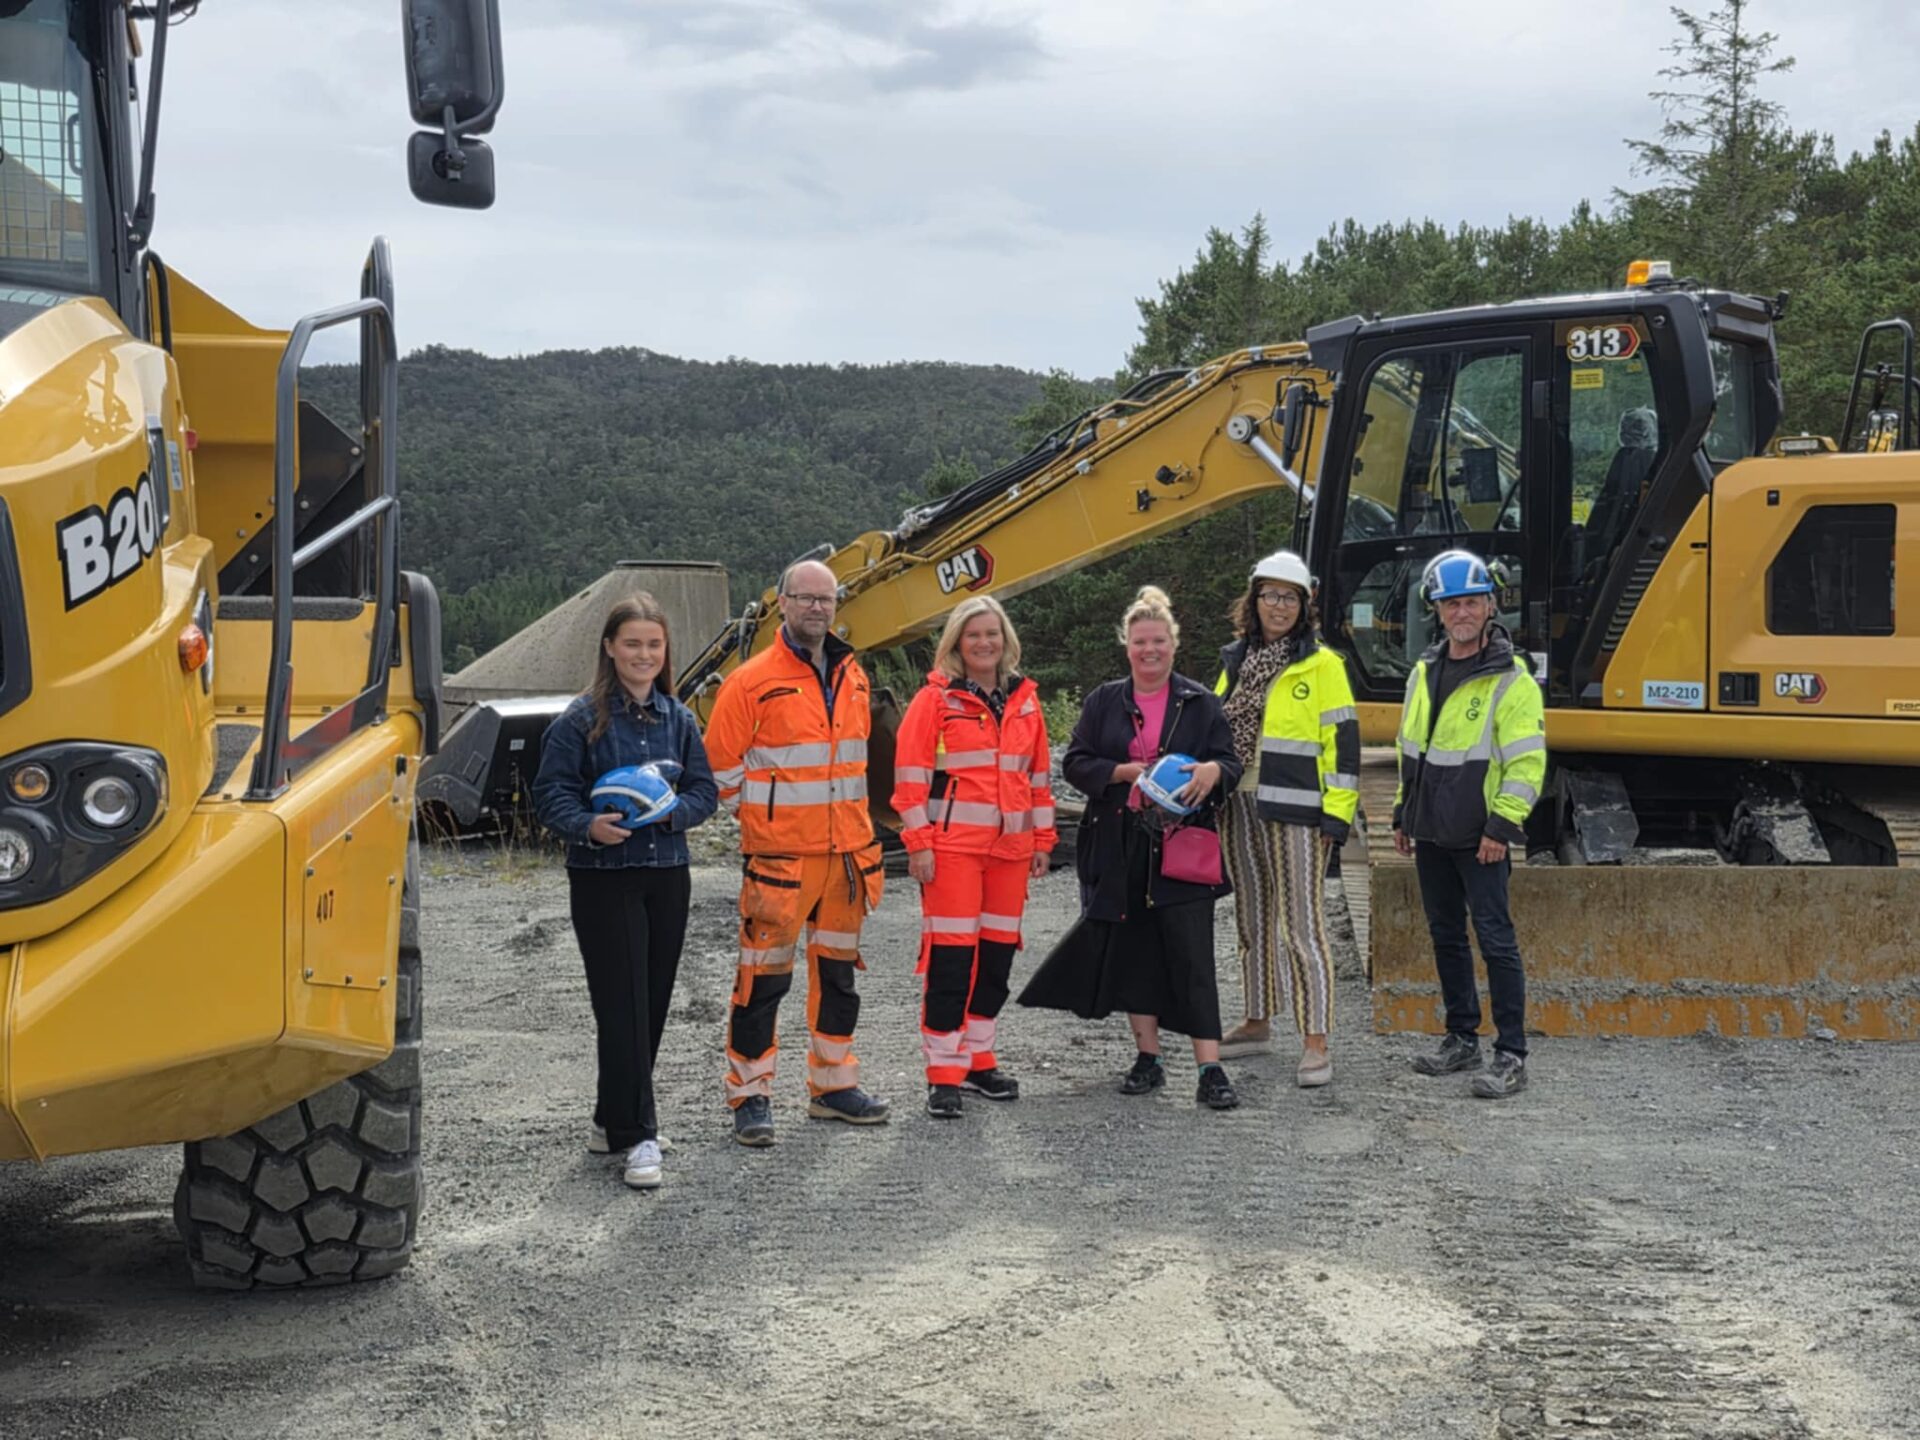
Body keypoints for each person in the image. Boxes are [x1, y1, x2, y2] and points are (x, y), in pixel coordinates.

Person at [1018, 585, 1244, 1110]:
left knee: (1192, 958)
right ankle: (1149, 1059)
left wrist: (1213, 771)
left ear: (1174, 645)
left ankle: (1210, 1068)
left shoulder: (1201, 701)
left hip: (1181, 851)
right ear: (1128, 646)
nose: (1150, 651)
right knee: (1137, 953)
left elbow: (1229, 764)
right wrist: (1122, 772)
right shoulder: (1103, 700)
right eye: (1141, 642)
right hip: (1120, 847)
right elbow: (1074, 762)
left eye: (1159, 641)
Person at [533, 594, 718, 1190]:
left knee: (651, 1004)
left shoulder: (680, 719)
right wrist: (587, 825)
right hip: (603, 877)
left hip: (667, 872)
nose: (644, 654)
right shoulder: (579, 720)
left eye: (654, 645)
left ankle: (610, 1122)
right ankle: (640, 1136)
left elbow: (705, 792)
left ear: (665, 652)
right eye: (632, 643)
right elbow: (550, 794)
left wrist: (670, 813)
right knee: (622, 1005)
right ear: (610, 648)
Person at [703, 559, 890, 1145]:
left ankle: (833, 1087)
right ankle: (751, 1096)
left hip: (846, 861)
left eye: (825, 599)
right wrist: (766, 818)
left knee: (838, 979)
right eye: (804, 598)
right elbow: (719, 770)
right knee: (762, 983)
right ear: (781, 603)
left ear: (836, 606)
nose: (816, 608)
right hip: (781, 863)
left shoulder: (854, 677)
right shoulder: (751, 681)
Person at [891, 595, 1056, 1120]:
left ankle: (979, 1057)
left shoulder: (1027, 701)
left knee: (996, 960)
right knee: (952, 959)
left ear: (1006, 640)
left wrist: (1043, 842)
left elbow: (1039, 780)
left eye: (993, 634)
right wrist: (918, 846)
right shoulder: (934, 701)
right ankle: (943, 1071)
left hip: (1011, 851)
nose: (984, 643)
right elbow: (909, 781)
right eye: (973, 634)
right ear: (957, 643)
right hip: (954, 851)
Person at [1392, 548, 1546, 1099]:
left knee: (1496, 941)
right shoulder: (1424, 672)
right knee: (1446, 936)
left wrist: (1501, 827)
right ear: (1437, 610)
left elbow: (1527, 763)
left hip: (1482, 835)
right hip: (1432, 829)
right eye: (1451, 603)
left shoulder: (1510, 680)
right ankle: (1462, 1035)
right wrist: (1403, 812)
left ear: (1489, 606)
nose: (1462, 612)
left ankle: (1511, 1053)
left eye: (1472, 602)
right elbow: (1412, 748)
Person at [1212, 550, 1360, 1087]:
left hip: (1299, 811)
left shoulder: (1323, 667)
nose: (1279, 606)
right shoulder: (1235, 659)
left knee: (1303, 927)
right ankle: (1256, 1021)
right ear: (1254, 600)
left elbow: (1342, 749)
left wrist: (1337, 819)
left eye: (1289, 597)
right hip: (1239, 805)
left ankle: (1316, 1041)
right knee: (1252, 921)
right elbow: (1216, 727)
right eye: (1270, 595)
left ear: (1305, 605)